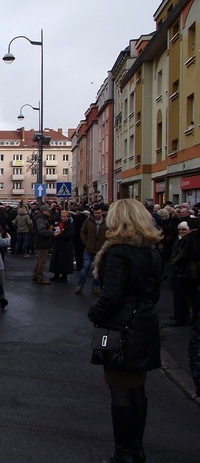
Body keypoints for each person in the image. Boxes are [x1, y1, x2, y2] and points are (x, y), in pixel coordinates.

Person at [87, 198, 163, 463]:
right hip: (144, 325)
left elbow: (111, 296)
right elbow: (154, 293)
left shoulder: (119, 252)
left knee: (120, 391)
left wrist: (94, 314)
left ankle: (123, 452)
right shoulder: (151, 251)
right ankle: (136, 448)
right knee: (137, 390)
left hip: (121, 329)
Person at [169, 219, 200, 326]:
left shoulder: (190, 239)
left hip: (186, 271)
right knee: (194, 297)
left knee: (180, 295)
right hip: (195, 271)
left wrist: (174, 262)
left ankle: (181, 318)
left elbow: (182, 255)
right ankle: (195, 317)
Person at [77, 204, 108, 295]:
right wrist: (85, 242)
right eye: (95, 213)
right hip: (89, 248)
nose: (97, 214)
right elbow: (82, 231)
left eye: (98, 213)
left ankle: (95, 286)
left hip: (101, 249)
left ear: (102, 212)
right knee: (85, 267)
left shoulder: (107, 222)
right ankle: (80, 286)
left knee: (97, 269)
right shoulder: (88, 221)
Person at [49, 209, 75, 282]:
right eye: (62, 217)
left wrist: (58, 236)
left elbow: (69, 235)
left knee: (64, 261)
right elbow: (52, 228)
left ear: (68, 217)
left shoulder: (70, 225)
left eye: (65, 217)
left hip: (66, 246)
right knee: (56, 260)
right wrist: (52, 231)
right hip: (58, 245)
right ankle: (56, 275)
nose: (63, 218)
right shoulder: (58, 223)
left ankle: (64, 276)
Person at [31, 204, 55, 284]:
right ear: (43, 211)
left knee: (39, 260)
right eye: (48, 210)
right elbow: (42, 232)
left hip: (41, 242)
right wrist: (52, 232)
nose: (49, 212)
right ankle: (40, 277)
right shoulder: (41, 219)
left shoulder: (41, 218)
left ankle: (35, 275)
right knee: (42, 261)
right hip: (42, 242)